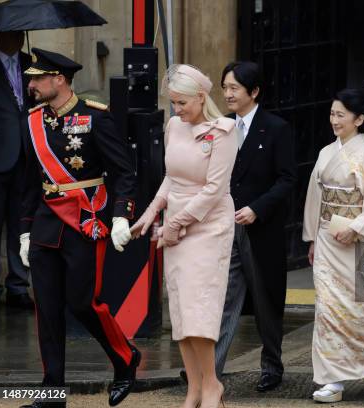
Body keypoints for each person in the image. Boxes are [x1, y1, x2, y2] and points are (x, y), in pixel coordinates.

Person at [20, 48, 139, 408]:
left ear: (59, 79)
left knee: (83, 302)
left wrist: (121, 215)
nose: (32, 84)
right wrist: (25, 231)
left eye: (39, 78)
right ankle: (51, 393)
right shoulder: (34, 121)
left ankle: (125, 359)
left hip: (85, 220)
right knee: (48, 309)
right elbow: (28, 180)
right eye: (31, 79)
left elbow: (124, 171)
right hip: (45, 224)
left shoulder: (95, 117)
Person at [131, 64, 236, 408]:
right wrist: (150, 214)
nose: (177, 110)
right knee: (181, 310)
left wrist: (175, 224)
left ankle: (211, 387)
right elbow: (170, 178)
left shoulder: (224, 131)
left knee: (199, 309)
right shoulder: (175, 125)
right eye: (173, 103)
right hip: (175, 224)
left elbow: (214, 190)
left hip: (208, 226)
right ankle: (194, 388)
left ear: (202, 98)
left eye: (182, 103)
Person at [303, 88, 364, 403]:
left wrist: (356, 227)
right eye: (332, 114)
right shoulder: (326, 153)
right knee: (327, 309)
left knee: (359, 309)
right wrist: (314, 237)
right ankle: (333, 379)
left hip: (357, 242)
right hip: (329, 238)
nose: (335, 120)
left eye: (341, 115)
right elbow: (316, 199)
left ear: (359, 119)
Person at [213, 61, 296, 391]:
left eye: (234, 88)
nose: (228, 94)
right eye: (225, 88)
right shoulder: (221, 128)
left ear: (254, 91)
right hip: (224, 227)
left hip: (261, 229)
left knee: (266, 301)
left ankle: (272, 366)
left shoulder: (276, 128)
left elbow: (288, 178)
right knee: (224, 300)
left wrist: (257, 209)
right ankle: (209, 370)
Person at [0, 31, 34, 310]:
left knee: (22, 225)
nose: (18, 37)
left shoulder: (31, 64)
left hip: (26, 157)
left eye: (21, 32)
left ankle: (18, 287)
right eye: (12, 32)